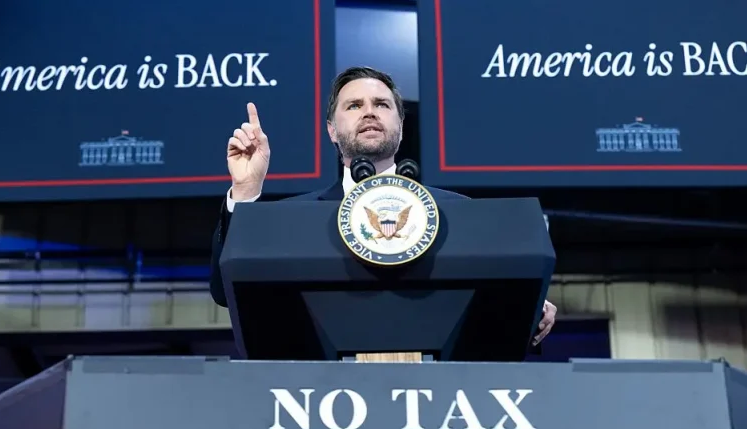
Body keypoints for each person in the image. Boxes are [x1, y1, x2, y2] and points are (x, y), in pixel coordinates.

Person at [209, 66, 557, 346]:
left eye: (382, 104)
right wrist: (246, 189)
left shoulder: (458, 212)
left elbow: (498, 299)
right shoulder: (292, 220)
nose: (370, 112)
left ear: (401, 128)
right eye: (354, 105)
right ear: (331, 130)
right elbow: (227, 293)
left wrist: (529, 303)